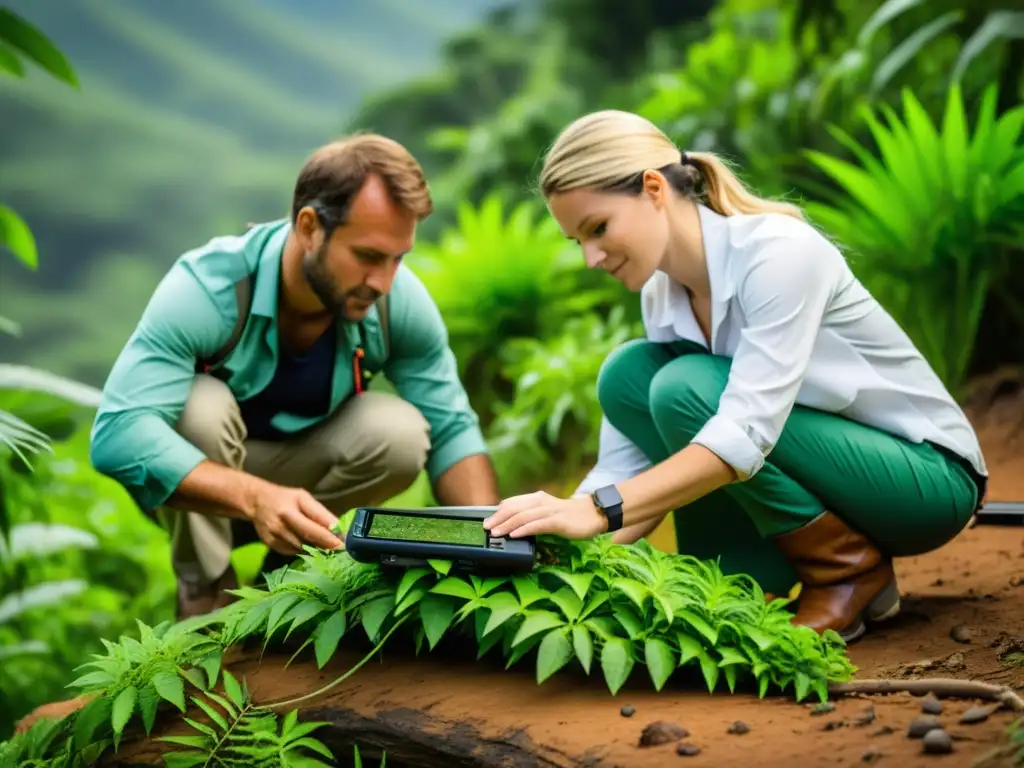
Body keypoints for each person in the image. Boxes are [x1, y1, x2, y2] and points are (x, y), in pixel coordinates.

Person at [483, 110, 987, 643]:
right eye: (576, 241)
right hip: (835, 473)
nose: (589, 258)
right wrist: (558, 540)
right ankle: (744, 580)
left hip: (925, 480)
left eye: (598, 229)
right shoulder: (663, 290)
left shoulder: (778, 253)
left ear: (653, 188)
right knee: (628, 376)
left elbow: (744, 433)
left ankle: (847, 569)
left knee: (683, 389)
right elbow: (625, 462)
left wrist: (595, 512)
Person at [91, 133, 500, 619]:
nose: (384, 282)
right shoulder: (207, 288)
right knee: (199, 407)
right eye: (368, 256)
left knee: (402, 433)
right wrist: (257, 497)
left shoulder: (395, 302)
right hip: (197, 495)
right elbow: (117, 435)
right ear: (309, 227)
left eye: (398, 259)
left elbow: (453, 428)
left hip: (301, 486)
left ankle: (283, 575)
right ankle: (205, 592)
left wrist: (491, 545)